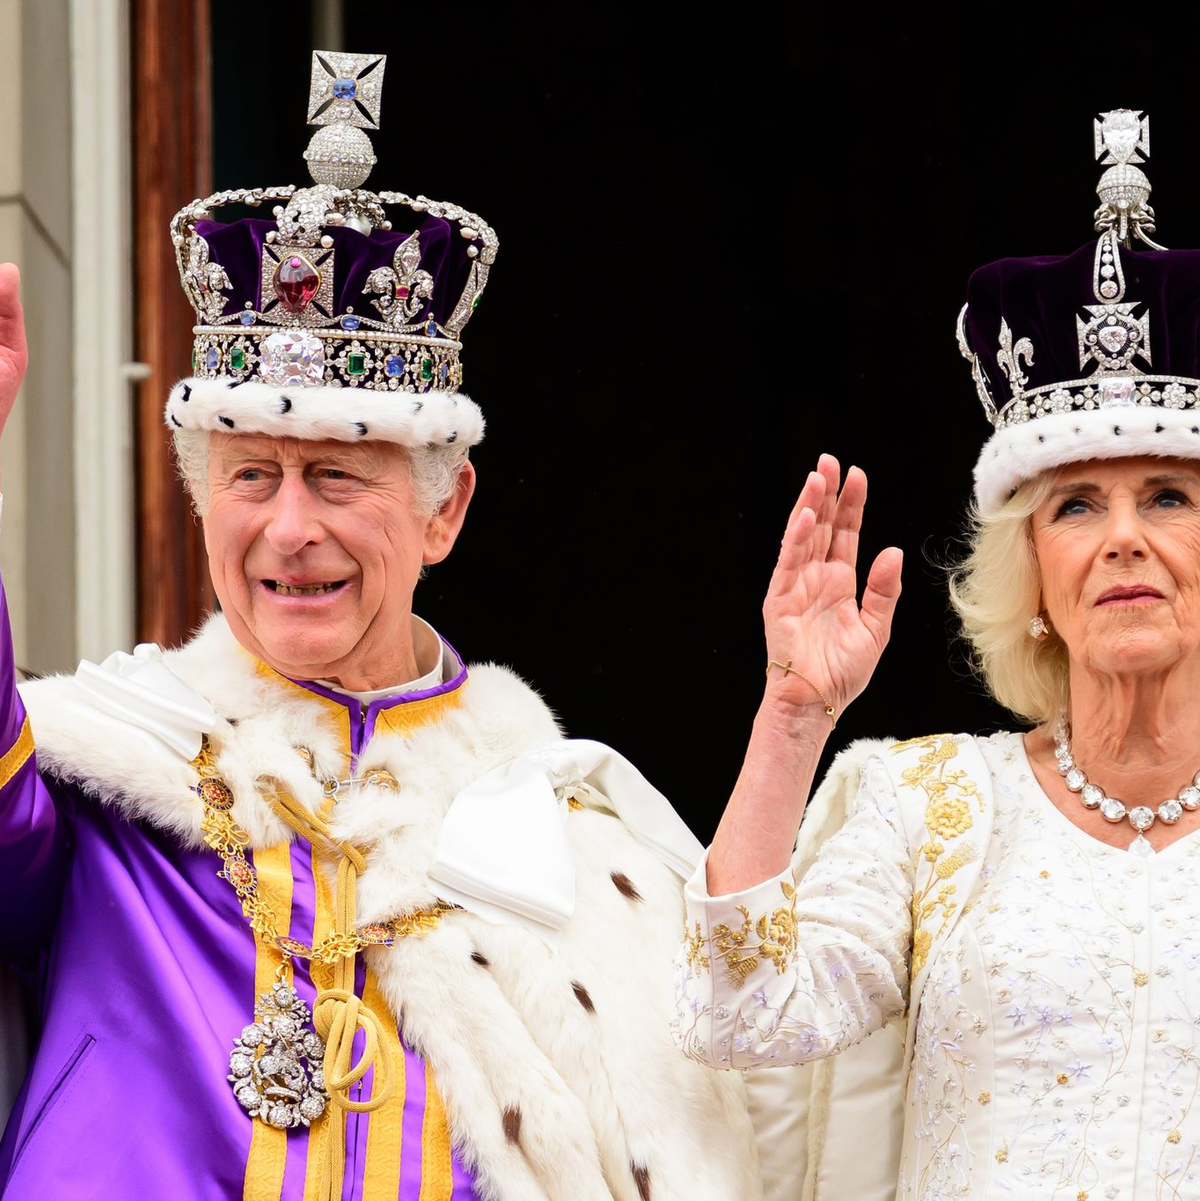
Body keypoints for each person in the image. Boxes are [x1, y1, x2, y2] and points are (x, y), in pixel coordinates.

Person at [0, 50, 760, 1200]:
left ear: (442, 509)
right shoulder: (111, 768)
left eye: (338, 478)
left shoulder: (563, 833)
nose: (288, 527)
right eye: (252, 474)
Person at [674, 108, 1200, 1199]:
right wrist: (792, 718)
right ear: (1037, 578)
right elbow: (740, 1018)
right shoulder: (932, 803)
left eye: (1168, 495)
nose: (1122, 538)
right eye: (1076, 507)